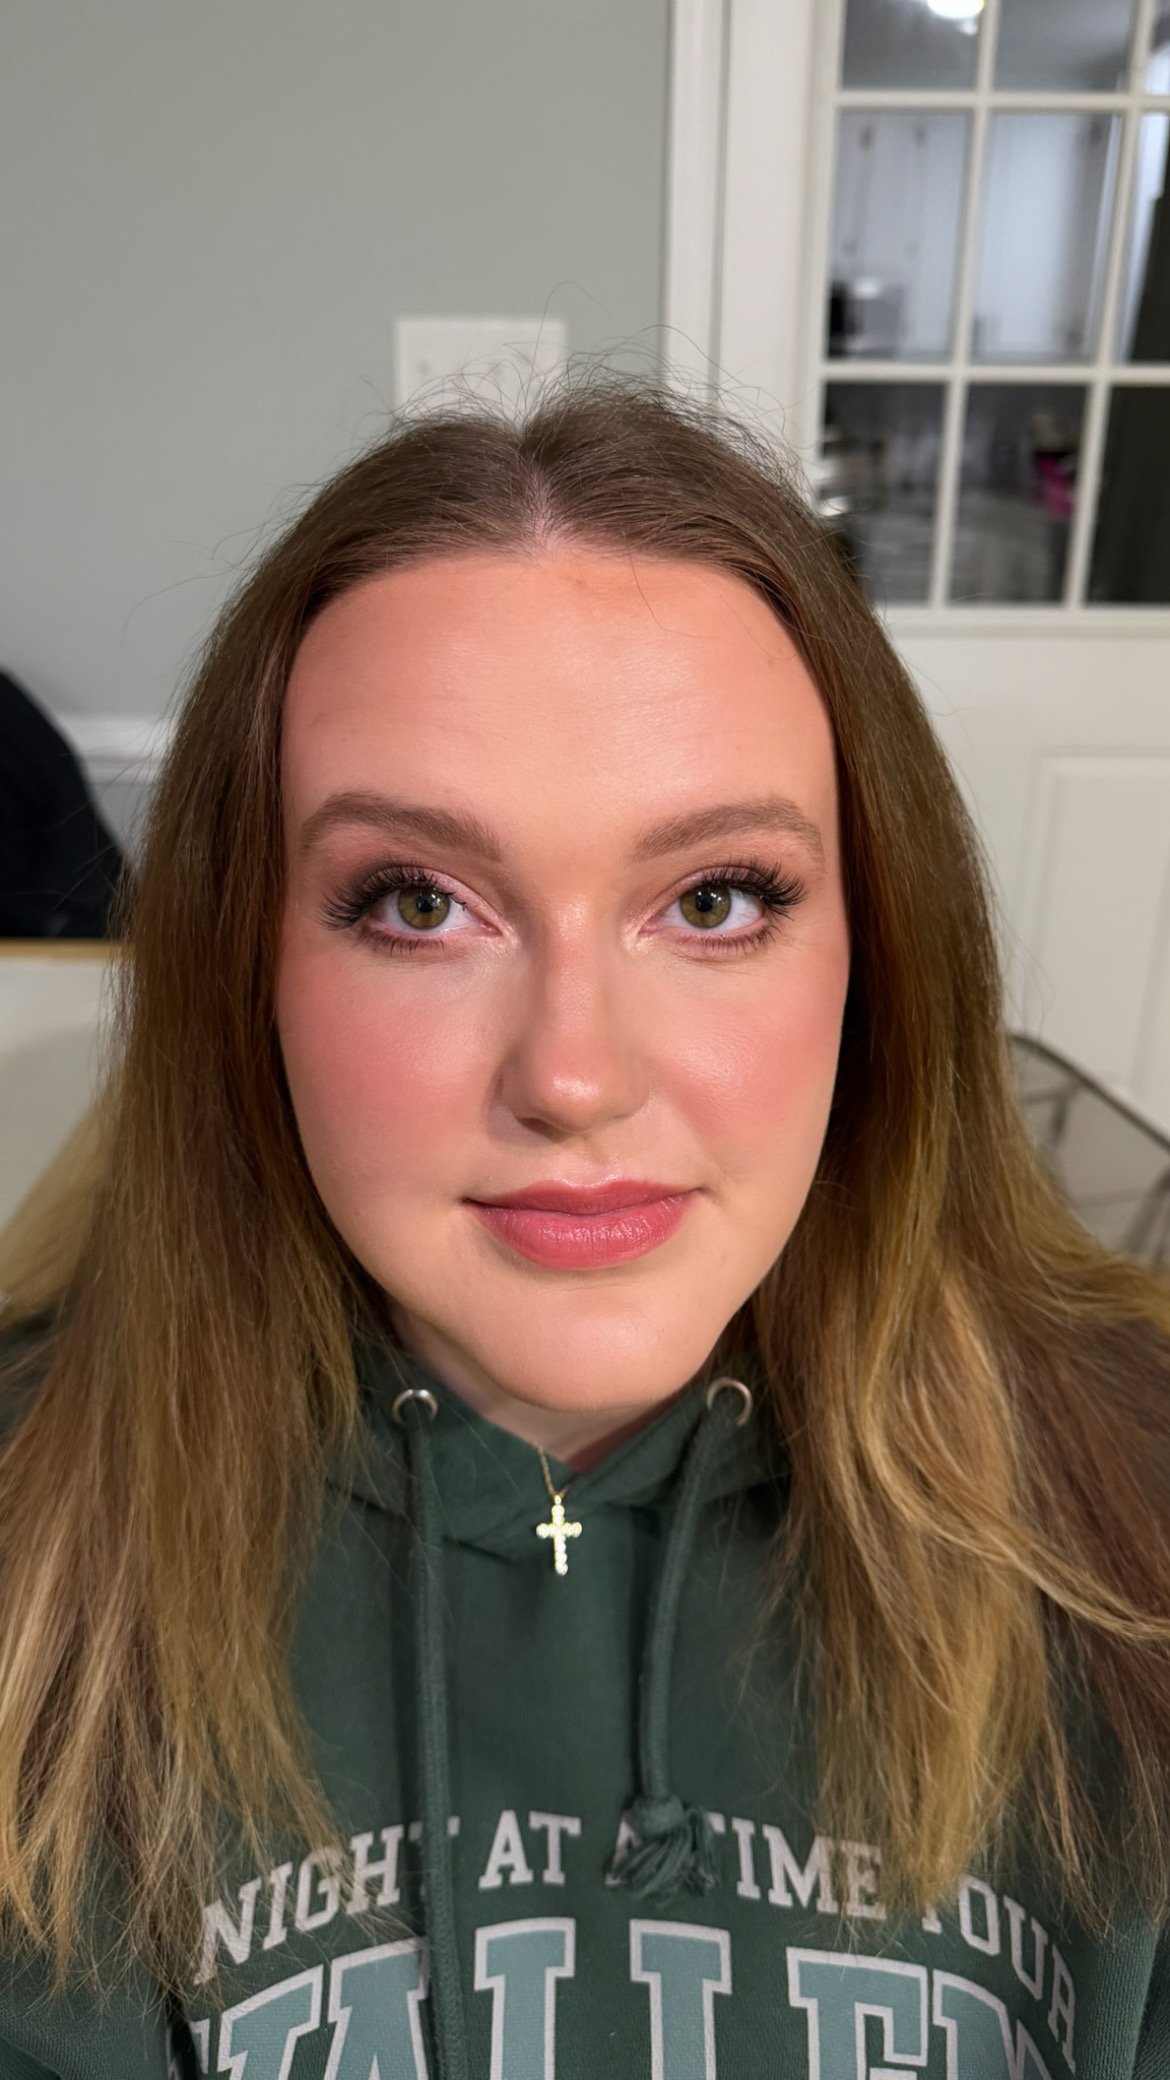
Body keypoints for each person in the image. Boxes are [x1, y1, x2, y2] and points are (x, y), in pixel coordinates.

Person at [0, 371, 1168, 2079]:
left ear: (875, 955)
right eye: (417, 904)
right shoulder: (39, 1570)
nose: (570, 1078)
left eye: (711, 901)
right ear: (250, 978)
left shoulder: (1131, 1532)